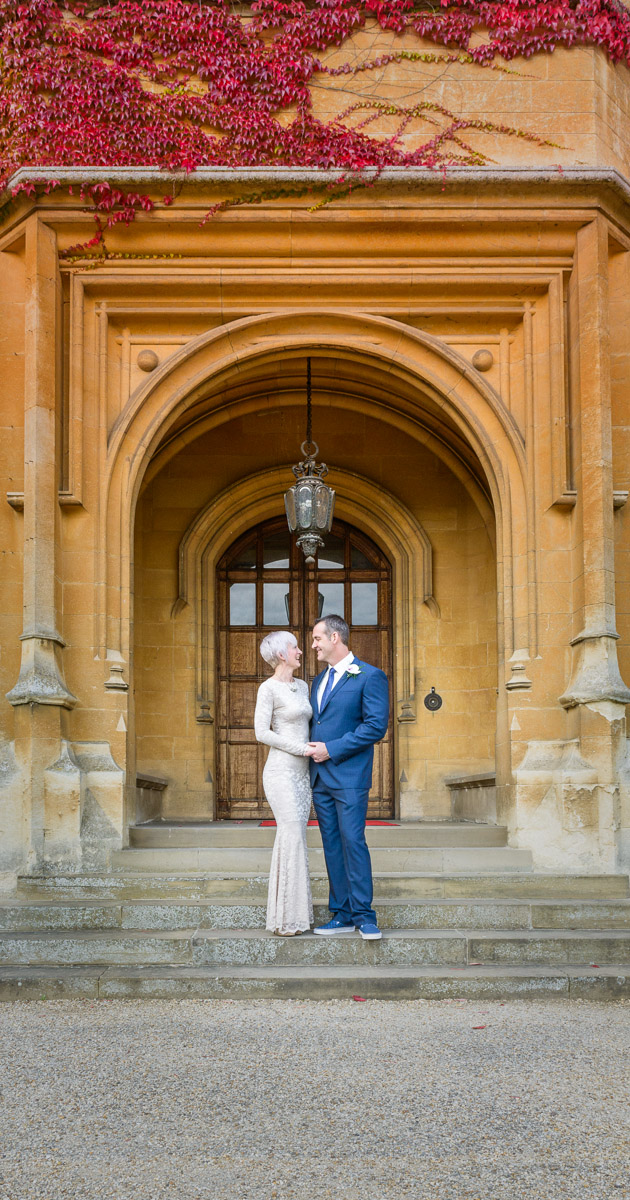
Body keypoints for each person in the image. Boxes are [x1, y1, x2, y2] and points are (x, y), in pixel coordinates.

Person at [304, 614, 389, 940]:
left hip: (350, 775)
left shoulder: (370, 676)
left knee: (353, 842)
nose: (313, 645)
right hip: (320, 777)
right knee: (332, 846)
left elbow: (374, 727)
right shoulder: (318, 681)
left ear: (335, 638)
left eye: (317, 639)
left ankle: (365, 916)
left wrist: (331, 749)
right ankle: (341, 914)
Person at [254, 631, 314, 936]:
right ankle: (285, 919)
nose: (300, 651)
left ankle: (297, 916)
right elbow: (261, 733)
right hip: (280, 772)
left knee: (298, 837)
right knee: (290, 834)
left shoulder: (302, 686)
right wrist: (302, 749)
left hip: (303, 775)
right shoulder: (268, 689)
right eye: (295, 647)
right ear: (281, 654)